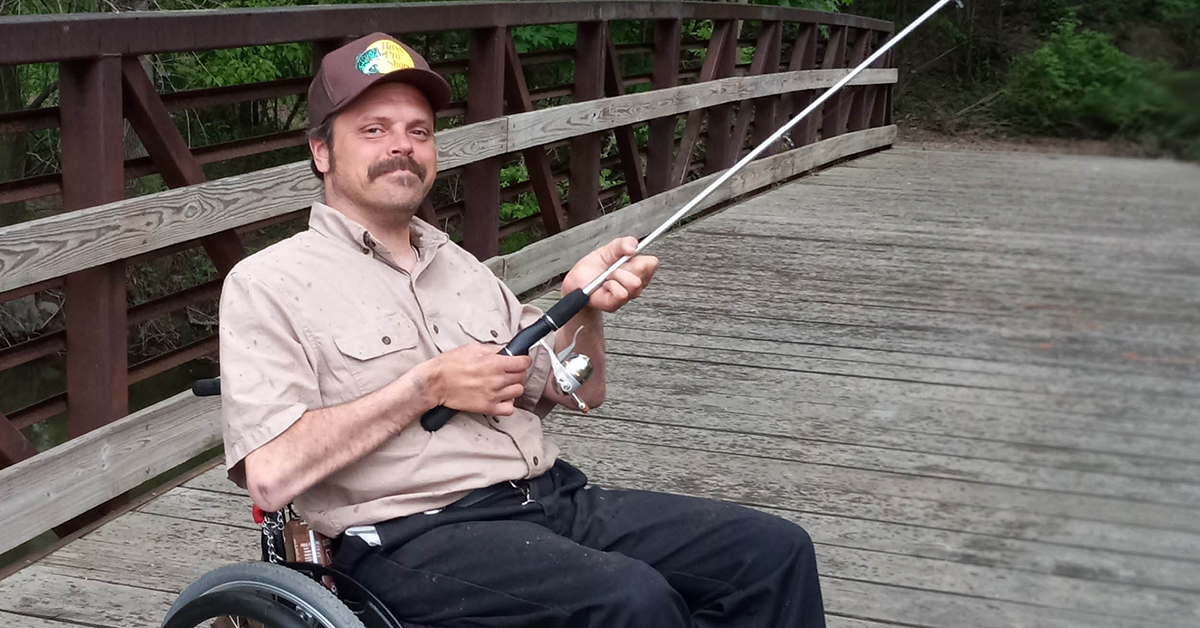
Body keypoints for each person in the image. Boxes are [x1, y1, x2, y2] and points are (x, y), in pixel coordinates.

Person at [219, 33, 825, 628]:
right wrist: (426, 387)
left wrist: (582, 305)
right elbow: (269, 476)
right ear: (321, 152)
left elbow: (578, 391)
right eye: (373, 129)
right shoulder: (267, 283)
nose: (401, 146)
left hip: (552, 501)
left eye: (419, 131)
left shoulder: (462, 268)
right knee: (631, 600)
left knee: (771, 551)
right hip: (413, 539)